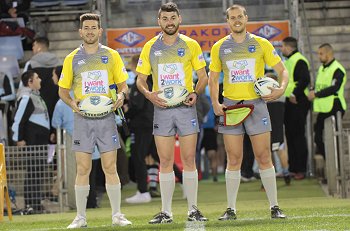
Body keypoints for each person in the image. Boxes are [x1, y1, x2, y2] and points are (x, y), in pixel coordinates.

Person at [208, 4, 288, 220]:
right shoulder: (219, 47)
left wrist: (281, 89)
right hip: (231, 106)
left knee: (263, 156)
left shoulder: (261, 43)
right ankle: (231, 208)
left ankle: (275, 207)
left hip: (257, 105)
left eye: (240, 16)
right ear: (227, 21)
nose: (236, 20)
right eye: (232, 17)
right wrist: (215, 103)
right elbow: (213, 78)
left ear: (246, 18)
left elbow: (282, 70)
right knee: (234, 158)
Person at [136, 2, 209, 224]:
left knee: (188, 159)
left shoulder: (191, 45)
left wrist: (196, 93)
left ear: (179, 19)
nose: (169, 22)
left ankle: (193, 209)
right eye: (165, 19)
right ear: (159, 21)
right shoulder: (150, 47)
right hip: (162, 110)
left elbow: (203, 77)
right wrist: (148, 94)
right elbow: (140, 80)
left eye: (173, 18)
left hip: (186, 109)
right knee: (165, 161)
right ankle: (166, 212)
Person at [58, 13, 131, 228]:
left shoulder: (112, 55)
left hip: (106, 118)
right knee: (83, 169)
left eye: (94, 27)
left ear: (100, 31)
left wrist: (120, 96)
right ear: (80, 32)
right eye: (86, 27)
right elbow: (62, 90)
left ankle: (117, 215)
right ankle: (80, 217)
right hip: (82, 120)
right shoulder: (72, 58)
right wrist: (72, 104)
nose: (90, 31)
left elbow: (123, 85)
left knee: (110, 167)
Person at [11, 70, 50, 213]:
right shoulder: (27, 96)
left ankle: (36, 203)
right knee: (33, 173)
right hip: (33, 141)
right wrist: (18, 138)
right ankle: (31, 204)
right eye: (37, 77)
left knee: (38, 173)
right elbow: (18, 118)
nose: (40, 79)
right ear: (30, 82)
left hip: (40, 141)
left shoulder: (35, 96)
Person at [308, 43, 347, 159]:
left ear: (328, 54)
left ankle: (337, 164)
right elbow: (320, 85)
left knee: (335, 139)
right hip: (324, 108)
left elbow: (334, 88)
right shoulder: (322, 68)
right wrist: (313, 90)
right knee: (318, 137)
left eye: (321, 54)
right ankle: (329, 162)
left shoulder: (337, 69)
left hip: (335, 106)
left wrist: (316, 94)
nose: (319, 56)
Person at [281, 36, 311, 180]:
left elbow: (305, 79)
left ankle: (301, 169)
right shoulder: (290, 61)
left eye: (283, 46)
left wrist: (294, 94)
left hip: (297, 101)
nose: (282, 49)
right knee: (290, 135)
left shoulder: (299, 60)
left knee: (298, 135)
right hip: (289, 102)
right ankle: (293, 168)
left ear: (289, 47)